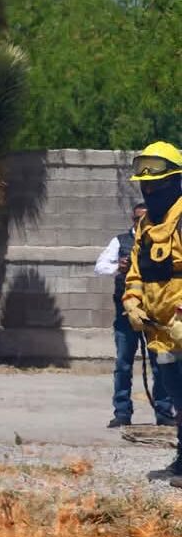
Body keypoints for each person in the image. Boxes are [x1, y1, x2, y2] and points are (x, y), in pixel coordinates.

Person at [120, 141, 182, 479]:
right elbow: (136, 272)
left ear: (174, 181)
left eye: (156, 184)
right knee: (176, 396)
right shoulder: (145, 226)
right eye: (145, 185)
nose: (150, 190)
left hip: (180, 323)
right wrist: (132, 303)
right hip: (161, 331)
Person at [94, 203, 175, 427]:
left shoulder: (163, 239)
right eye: (138, 218)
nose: (142, 222)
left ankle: (164, 412)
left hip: (154, 314)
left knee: (161, 363)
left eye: (146, 218)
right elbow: (99, 266)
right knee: (123, 364)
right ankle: (122, 413)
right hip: (126, 314)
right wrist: (117, 267)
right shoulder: (120, 241)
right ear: (133, 219)